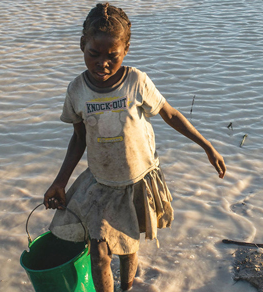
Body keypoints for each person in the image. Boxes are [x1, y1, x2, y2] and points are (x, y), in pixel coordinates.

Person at [43, 3, 226, 291]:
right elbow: (79, 138)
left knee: (128, 247)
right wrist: (60, 181)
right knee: (100, 253)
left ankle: (128, 287)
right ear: (82, 44)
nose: (102, 63)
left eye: (112, 56)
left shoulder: (136, 82)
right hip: (101, 182)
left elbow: (170, 114)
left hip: (137, 179)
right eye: (94, 53)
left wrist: (207, 146)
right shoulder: (77, 90)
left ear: (126, 49)